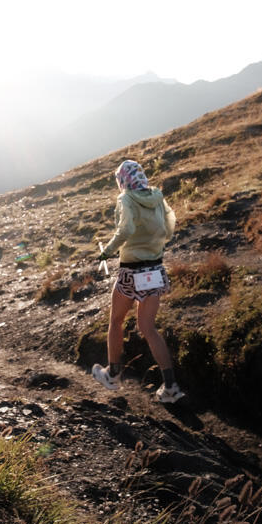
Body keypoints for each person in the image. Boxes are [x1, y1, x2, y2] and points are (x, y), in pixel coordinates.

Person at [92, 158, 185, 403]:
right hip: (154, 269)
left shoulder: (125, 199)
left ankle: (112, 375)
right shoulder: (157, 196)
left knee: (116, 320)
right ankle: (171, 386)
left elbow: (125, 230)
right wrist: (157, 244)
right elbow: (170, 223)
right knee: (148, 327)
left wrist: (107, 251)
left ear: (122, 181)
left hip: (132, 271)